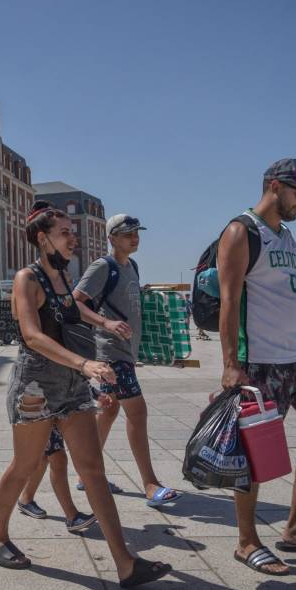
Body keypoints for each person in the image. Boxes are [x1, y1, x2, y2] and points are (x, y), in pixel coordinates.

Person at [0, 201, 171, 588]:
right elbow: (32, 335)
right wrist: (85, 364)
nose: (73, 239)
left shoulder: (64, 277)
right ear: (42, 238)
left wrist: (105, 322)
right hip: (36, 386)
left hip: (72, 385)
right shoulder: (27, 278)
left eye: (72, 232)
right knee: (24, 465)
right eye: (65, 232)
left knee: (93, 470)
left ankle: (125, 563)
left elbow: (74, 309)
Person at [215, 159, 296, 575]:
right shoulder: (241, 231)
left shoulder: (286, 236)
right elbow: (229, 301)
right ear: (274, 185)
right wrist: (231, 364)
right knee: (254, 452)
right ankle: (246, 541)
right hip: (260, 362)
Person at [73, 213, 180, 507]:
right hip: (110, 353)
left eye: (136, 233)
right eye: (127, 234)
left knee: (108, 411)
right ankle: (150, 484)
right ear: (112, 238)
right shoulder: (102, 266)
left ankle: (85, 473)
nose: (135, 238)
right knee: (138, 411)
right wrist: (105, 323)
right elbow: (75, 301)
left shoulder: (132, 266)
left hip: (126, 351)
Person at [17, 425, 98, 533]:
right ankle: (72, 516)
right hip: (43, 416)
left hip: (51, 416)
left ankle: (26, 498)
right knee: (58, 458)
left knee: (43, 455)